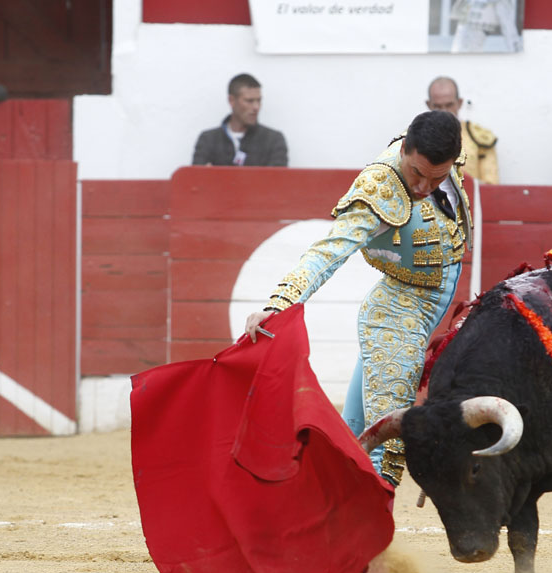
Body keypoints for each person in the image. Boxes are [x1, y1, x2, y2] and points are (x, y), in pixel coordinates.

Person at [244, 110, 471, 488]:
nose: (422, 188)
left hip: (427, 305)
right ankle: (367, 538)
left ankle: (319, 505)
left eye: (438, 177)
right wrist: (279, 304)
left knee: (355, 434)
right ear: (404, 151)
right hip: (399, 311)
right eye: (416, 173)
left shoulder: (441, 150)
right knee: (386, 441)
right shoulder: (379, 190)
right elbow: (327, 252)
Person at [192, 73, 288, 167]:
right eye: (249, 101)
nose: (256, 107)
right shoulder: (208, 140)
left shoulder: (273, 140)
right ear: (231, 100)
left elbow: (275, 181)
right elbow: (197, 179)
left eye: (259, 101)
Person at [426, 75, 500, 184]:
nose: (444, 111)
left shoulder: (478, 137)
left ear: (459, 103)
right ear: (429, 105)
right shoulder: (415, 138)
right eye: (437, 106)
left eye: (449, 105)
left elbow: (490, 186)